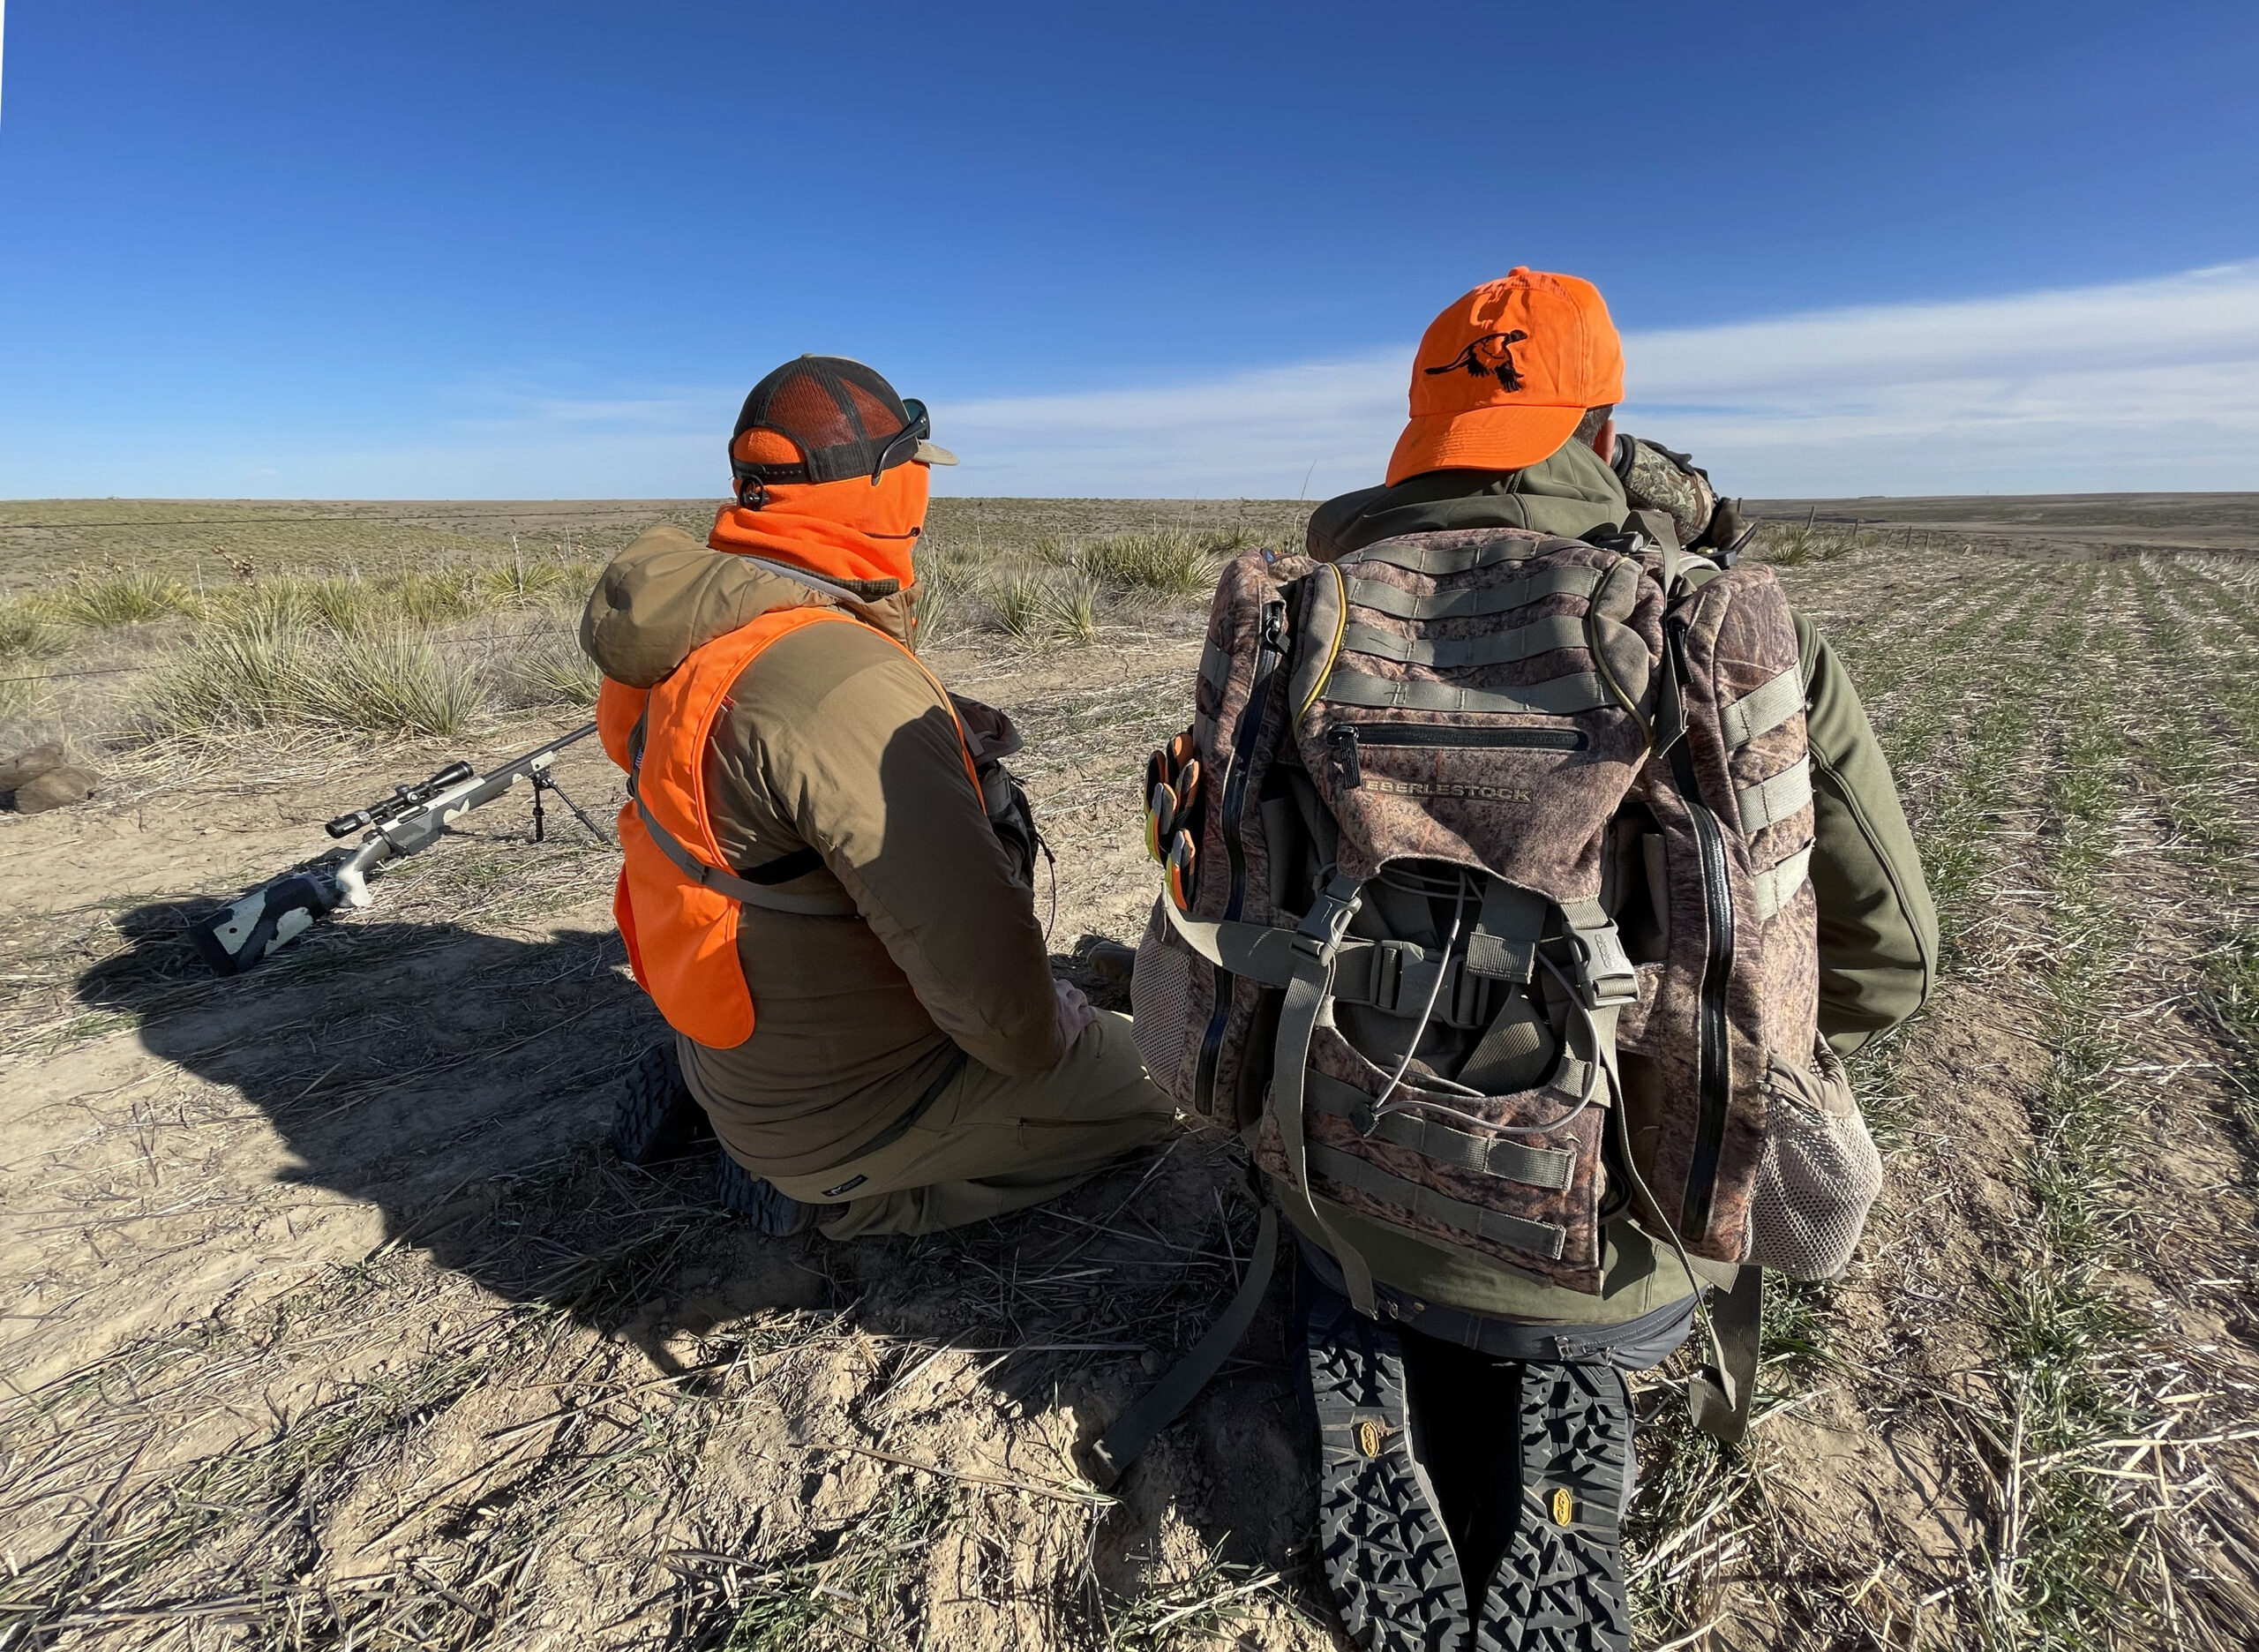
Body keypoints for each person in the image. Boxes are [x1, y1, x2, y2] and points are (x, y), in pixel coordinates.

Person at [1122, 272, 1937, 1651]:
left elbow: (1222, 909)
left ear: (1419, 430)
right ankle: (1568, 1369)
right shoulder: (1707, 626)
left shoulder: (1293, 623)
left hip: (1335, 1188)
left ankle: (1376, 1329)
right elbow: (1892, 963)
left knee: (1350, 1229)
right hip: (1624, 1250)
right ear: (1600, 437)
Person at [581, 356, 1176, 1237]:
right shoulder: (837, 685)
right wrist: (1059, 1020)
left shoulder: (703, 625)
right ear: (881, 489)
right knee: (1169, 1085)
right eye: (914, 473)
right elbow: (1005, 1021)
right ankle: (854, 1195)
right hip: (844, 1117)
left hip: (734, 1044)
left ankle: (761, 1128)